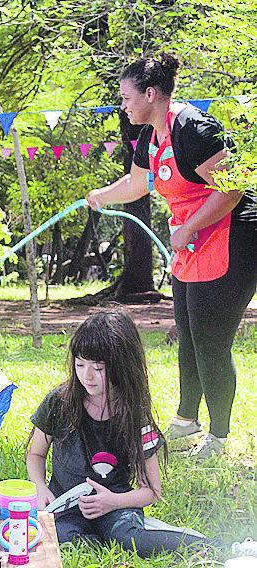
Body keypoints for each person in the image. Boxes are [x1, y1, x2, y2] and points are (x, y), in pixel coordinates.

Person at [86, 53, 257, 459]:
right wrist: (100, 196)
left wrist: (189, 227)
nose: (123, 106)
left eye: (127, 97)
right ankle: (186, 419)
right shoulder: (150, 135)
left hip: (235, 236)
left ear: (151, 93)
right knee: (188, 334)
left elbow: (232, 189)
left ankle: (218, 435)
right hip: (193, 241)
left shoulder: (195, 128)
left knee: (210, 341)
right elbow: (138, 182)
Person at [26, 311, 206, 558]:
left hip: (117, 504)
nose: (86, 375)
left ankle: (208, 544)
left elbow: (152, 490)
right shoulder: (60, 402)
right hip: (65, 507)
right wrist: (39, 487)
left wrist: (111, 502)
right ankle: (106, 534)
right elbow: (36, 454)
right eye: (80, 365)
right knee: (68, 544)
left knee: (129, 540)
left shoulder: (134, 415)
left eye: (98, 368)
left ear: (122, 366)